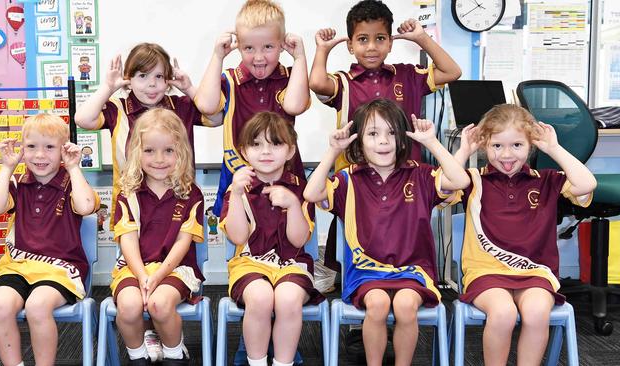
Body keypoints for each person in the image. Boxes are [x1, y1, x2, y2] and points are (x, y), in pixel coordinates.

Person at [74, 42, 218, 360]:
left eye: (159, 77)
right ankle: (143, 345)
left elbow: (215, 114)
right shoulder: (118, 108)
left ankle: (169, 345)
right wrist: (108, 86)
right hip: (134, 204)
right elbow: (83, 119)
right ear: (129, 78)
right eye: (142, 76)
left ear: (168, 79)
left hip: (175, 204)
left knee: (158, 299)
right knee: (132, 297)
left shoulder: (180, 105)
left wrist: (188, 86)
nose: (151, 85)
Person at [304, 99, 469, 366]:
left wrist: (431, 142)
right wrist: (333, 152)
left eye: (392, 133)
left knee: (405, 306)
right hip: (366, 271)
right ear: (358, 142)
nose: (383, 141)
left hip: (413, 270)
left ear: (403, 138)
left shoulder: (420, 175)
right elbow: (311, 193)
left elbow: (460, 180)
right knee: (378, 304)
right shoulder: (349, 179)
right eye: (373, 133)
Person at [453, 104, 596, 366]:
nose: (507, 154)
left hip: (535, 273)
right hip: (486, 273)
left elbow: (587, 184)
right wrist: (463, 151)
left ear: (531, 145)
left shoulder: (546, 180)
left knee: (537, 312)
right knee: (503, 313)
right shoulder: (472, 180)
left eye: (517, 145)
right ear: (484, 145)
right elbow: (446, 182)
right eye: (497, 146)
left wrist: (554, 149)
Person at [0, 114, 99, 366]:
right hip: (18, 266)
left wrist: (73, 167)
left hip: (60, 270)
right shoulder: (18, 182)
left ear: (64, 150)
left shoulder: (72, 182)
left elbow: (86, 206)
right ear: (22, 150)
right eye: (31, 147)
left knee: (37, 306)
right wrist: (7, 167)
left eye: (49, 147)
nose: (39, 155)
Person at [221, 112, 324, 366]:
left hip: (292, 264)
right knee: (261, 297)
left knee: (288, 299)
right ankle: (255, 362)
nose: (266, 151)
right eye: (256, 144)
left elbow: (299, 240)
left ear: (290, 151)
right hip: (249, 264)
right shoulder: (237, 189)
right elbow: (238, 236)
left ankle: (283, 363)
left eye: (275, 144)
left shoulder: (301, 189)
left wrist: (293, 204)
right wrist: (234, 194)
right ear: (244, 151)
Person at [309, 0, 461, 166]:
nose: (372, 47)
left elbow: (452, 72)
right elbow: (316, 83)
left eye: (380, 38)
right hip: (356, 177)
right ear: (350, 45)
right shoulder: (343, 82)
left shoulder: (408, 75)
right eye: (363, 39)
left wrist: (421, 38)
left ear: (390, 43)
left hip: (406, 175)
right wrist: (322, 49)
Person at [196, 0, 310, 217]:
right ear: (238, 46)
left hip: (284, 174)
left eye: (268, 47)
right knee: (238, 239)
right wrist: (217, 57)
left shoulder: (289, 77)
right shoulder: (230, 79)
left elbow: (294, 105)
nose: (258, 57)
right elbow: (206, 105)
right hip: (238, 175)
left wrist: (300, 57)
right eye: (249, 48)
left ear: (282, 45)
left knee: (291, 237)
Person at [110, 108, 206, 366]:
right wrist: (142, 276)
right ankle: (138, 356)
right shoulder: (127, 193)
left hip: (176, 269)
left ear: (181, 152)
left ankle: (175, 354)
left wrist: (158, 277)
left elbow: (182, 243)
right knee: (129, 307)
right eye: (149, 151)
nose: (159, 159)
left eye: (169, 151)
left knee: (160, 305)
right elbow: (127, 240)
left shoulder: (191, 194)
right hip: (133, 268)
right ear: (136, 152)